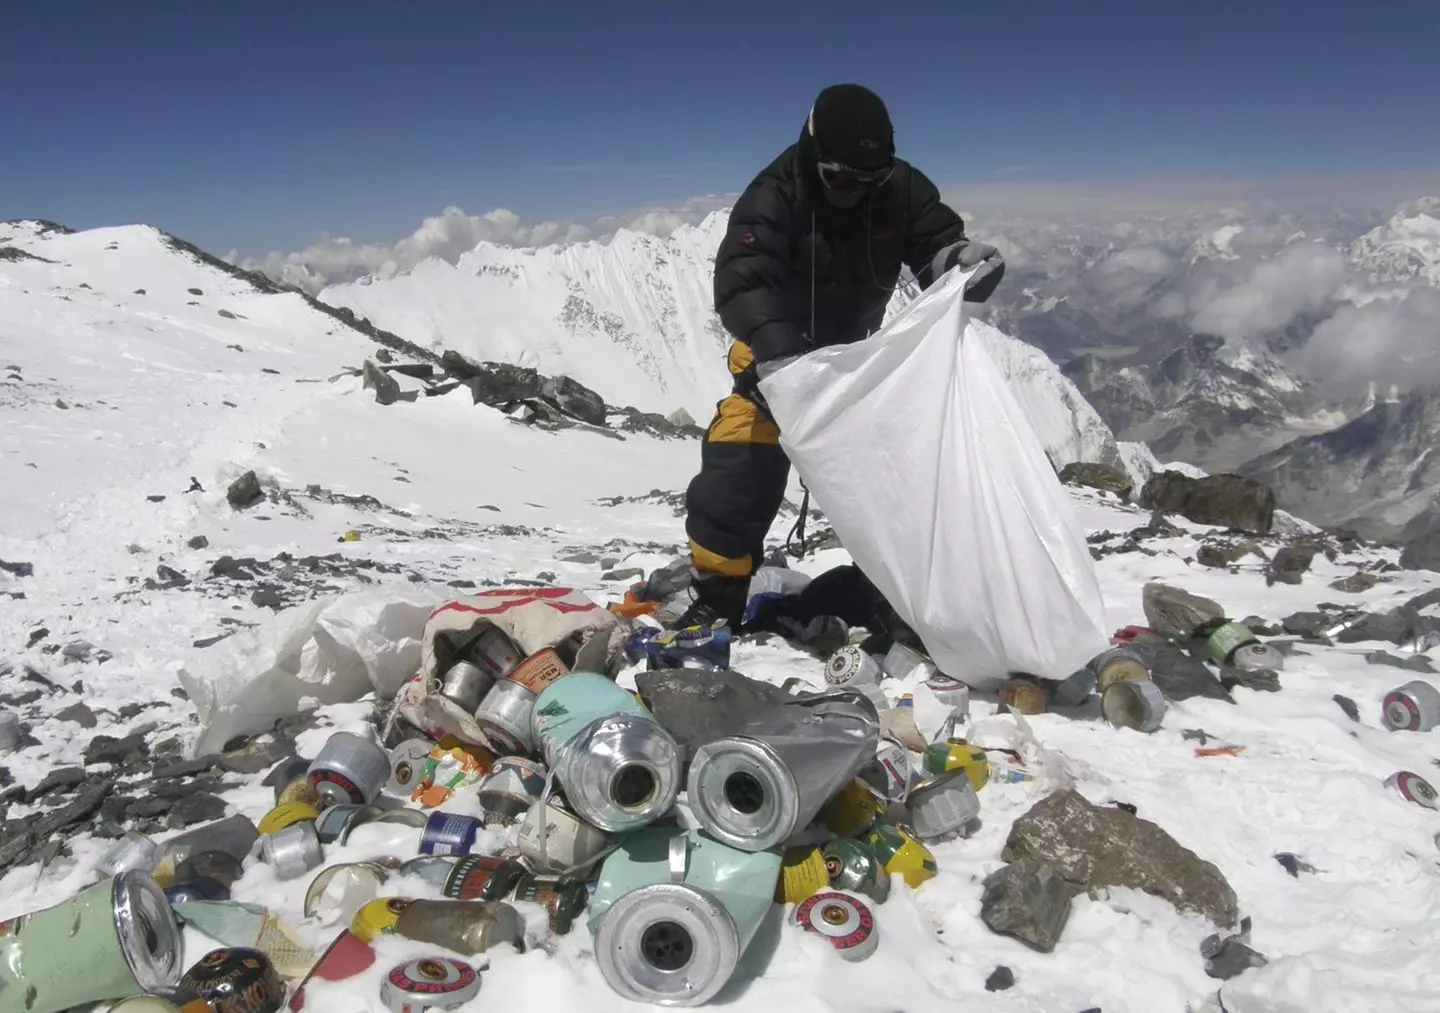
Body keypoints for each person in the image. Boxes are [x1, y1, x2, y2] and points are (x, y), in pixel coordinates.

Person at [677, 83, 1006, 631]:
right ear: (812, 153)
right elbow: (742, 283)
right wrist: (781, 358)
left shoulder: (900, 189)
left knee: (902, 479)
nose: (852, 191)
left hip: (857, 367)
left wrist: (959, 263)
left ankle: (897, 594)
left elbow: (934, 245)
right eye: (839, 177)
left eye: (868, 180)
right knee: (737, 474)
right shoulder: (774, 195)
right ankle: (720, 595)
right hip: (772, 368)